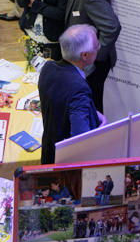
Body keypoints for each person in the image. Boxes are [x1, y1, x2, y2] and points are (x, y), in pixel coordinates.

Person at [49, 0, 121, 112]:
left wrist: (92, 61)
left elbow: (112, 27)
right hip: (87, 57)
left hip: (91, 65)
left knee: (91, 109)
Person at [39, 24, 106, 164]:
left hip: (49, 150)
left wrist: (93, 112)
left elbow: (62, 104)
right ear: (85, 55)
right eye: (96, 47)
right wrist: (100, 130)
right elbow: (80, 140)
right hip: (67, 165)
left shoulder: (48, 68)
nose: (97, 49)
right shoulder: (79, 88)